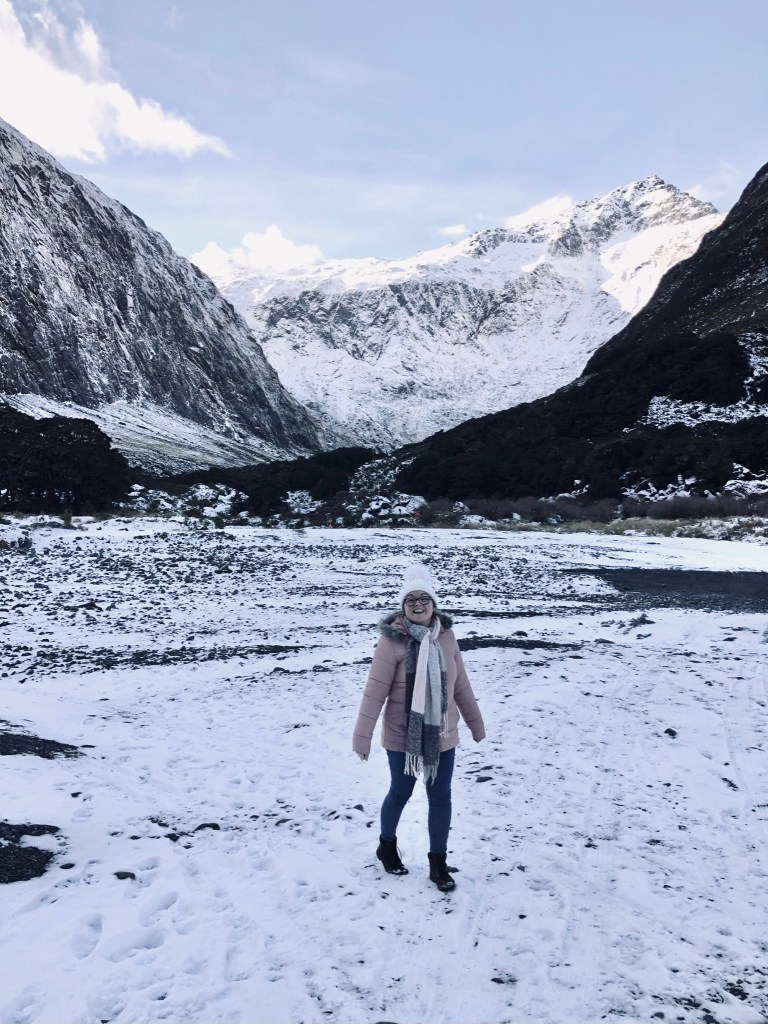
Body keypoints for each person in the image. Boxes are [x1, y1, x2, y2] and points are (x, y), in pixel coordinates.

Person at [353, 563, 485, 891]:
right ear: (402, 605)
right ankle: (386, 845)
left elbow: (461, 686)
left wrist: (475, 723)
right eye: (410, 599)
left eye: (423, 598)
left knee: (440, 796)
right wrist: (362, 736)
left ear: (433, 603)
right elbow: (374, 691)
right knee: (401, 791)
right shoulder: (391, 642)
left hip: (443, 734)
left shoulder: (448, 639)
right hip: (402, 737)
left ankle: (437, 863)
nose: (417, 604)